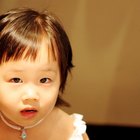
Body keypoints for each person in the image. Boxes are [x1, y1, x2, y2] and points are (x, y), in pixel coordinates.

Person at [0, 7, 89, 140]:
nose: (31, 96)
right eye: (16, 79)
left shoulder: (70, 131)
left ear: (61, 79)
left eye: (44, 80)